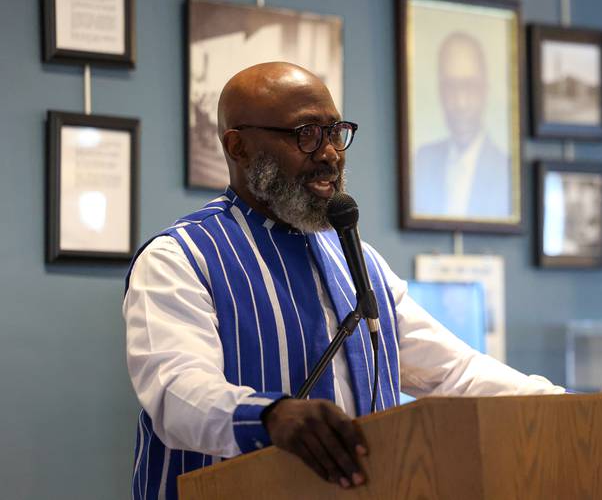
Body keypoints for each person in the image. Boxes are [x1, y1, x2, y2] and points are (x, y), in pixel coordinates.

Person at [124, 62, 563, 500]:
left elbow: (453, 373)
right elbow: (175, 394)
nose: (330, 153)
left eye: (335, 132)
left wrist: (568, 404)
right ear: (238, 147)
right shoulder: (180, 258)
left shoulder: (359, 261)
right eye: (306, 134)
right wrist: (270, 417)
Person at [413, 31, 512, 219]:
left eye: (470, 86)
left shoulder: (505, 168)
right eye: (452, 87)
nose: (461, 102)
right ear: (441, 92)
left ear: (485, 90)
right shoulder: (423, 160)